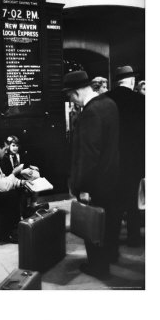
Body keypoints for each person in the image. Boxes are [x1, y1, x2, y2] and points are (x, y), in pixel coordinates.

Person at [64, 70, 121, 278]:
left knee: (93, 226)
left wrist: (83, 187)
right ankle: (108, 258)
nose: (71, 101)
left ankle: (98, 267)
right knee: (107, 224)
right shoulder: (109, 104)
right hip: (111, 178)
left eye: (70, 96)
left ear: (77, 92)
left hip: (95, 184)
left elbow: (88, 156)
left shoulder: (90, 112)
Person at [106, 66, 145, 247]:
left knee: (113, 202)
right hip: (135, 160)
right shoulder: (141, 100)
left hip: (112, 160)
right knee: (133, 201)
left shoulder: (106, 100)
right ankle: (134, 237)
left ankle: (112, 242)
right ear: (131, 81)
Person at [0, 137, 30, 244]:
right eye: (5, 150)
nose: (6, 152)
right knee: (11, 195)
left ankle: (14, 228)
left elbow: (2, 178)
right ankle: (11, 232)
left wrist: (21, 183)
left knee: (16, 191)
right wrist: (14, 174)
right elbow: (3, 186)